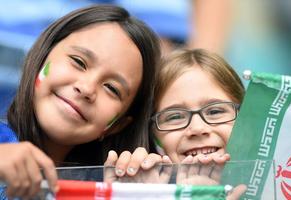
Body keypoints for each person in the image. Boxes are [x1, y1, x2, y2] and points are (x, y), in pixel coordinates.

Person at [0, 4, 160, 199]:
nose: (87, 88)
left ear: (117, 125)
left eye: (111, 88)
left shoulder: (111, 189)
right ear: (40, 57)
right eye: (79, 62)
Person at [105, 49, 246, 199]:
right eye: (175, 116)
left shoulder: (273, 186)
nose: (197, 128)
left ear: (246, 117)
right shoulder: (145, 190)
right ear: (153, 134)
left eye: (215, 112)